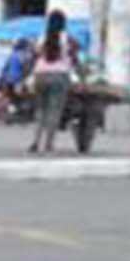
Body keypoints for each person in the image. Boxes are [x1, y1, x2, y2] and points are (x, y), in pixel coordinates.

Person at [29, 10, 80, 155]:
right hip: (59, 76)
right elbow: (74, 58)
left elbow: (34, 54)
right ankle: (48, 145)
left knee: (40, 110)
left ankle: (36, 142)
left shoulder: (41, 37)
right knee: (54, 111)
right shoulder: (68, 39)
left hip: (40, 75)